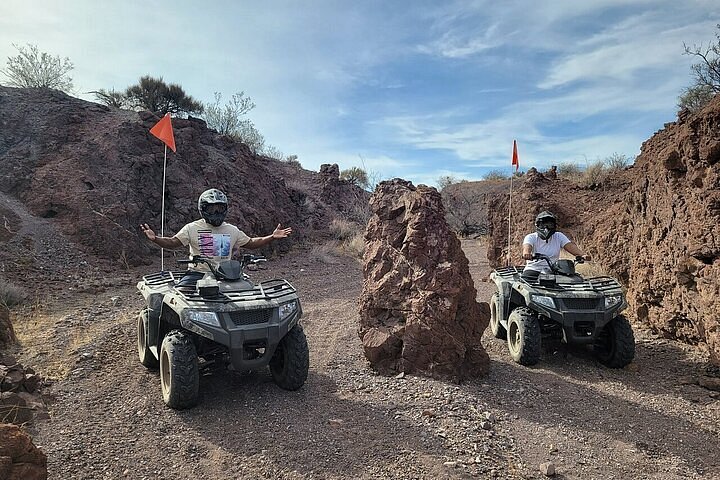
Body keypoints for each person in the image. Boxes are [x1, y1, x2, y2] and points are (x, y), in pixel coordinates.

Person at [140, 188, 292, 284]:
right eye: (212, 209)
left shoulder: (231, 229)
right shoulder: (192, 228)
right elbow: (173, 242)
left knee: (248, 292)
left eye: (220, 209)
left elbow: (251, 242)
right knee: (180, 299)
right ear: (203, 209)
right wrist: (156, 239)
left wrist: (272, 236)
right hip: (197, 274)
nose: (216, 213)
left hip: (226, 274)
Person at [520, 210, 590, 282]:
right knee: (525, 283)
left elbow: (570, 246)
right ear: (537, 225)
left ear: (554, 225)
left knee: (574, 281)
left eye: (549, 224)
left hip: (554, 270)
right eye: (543, 224)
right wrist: (527, 254)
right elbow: (527, 247)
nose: (546, 228)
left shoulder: (558, 236)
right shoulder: (531, 237)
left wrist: (582, 255)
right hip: (534, 269)